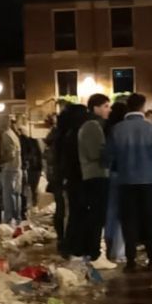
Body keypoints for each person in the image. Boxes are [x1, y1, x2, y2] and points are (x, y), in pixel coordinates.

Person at [105, 93, 152, 271]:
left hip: (125, 181)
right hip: (148, 180)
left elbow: (108, 157)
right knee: (149, 219)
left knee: (129, 220)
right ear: (142, 107)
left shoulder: (117, 130)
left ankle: (131, 260)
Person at [78, 93, 112, 261]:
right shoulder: (92, 126)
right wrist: (109, 153)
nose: (109, 109)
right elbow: (95, 153)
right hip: (96, 175)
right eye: (106, 106)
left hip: (94, 175)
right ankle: (93, 251)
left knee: (96, 215)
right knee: (97, 215)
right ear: (96, 108)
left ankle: (92, 249)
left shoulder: (92, 125)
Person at [57, 104, 89, 257]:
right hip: (78, 178)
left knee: (74, 213)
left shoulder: (66, 133)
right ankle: (75, 245)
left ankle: (70, 244)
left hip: (71, 178)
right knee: (78, 213)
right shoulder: (76, 134)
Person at [103, 102, 128, 263]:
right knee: (121, 212)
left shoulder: (107, 128)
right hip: (123, 173)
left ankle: (108, 242)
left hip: (110, 173)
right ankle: (118, 249)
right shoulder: (121, 130)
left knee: (110, 210)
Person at [0, 118, 22, 224]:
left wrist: (0, 161)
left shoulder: (6, 135)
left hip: (9, 168)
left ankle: (8, 218)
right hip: (17, 168)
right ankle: (17, 217)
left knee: (8, 195)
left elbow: (10, 154)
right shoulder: (13, 134)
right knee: (16, 194)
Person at [18, 124, 43, 219]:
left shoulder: (26, 142)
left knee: (28, 189)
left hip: (32, 168)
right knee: (32, 188)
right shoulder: (33, 142)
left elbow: (31, 155)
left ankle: (29, 208)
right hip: (34, 168)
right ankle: (32, 207)